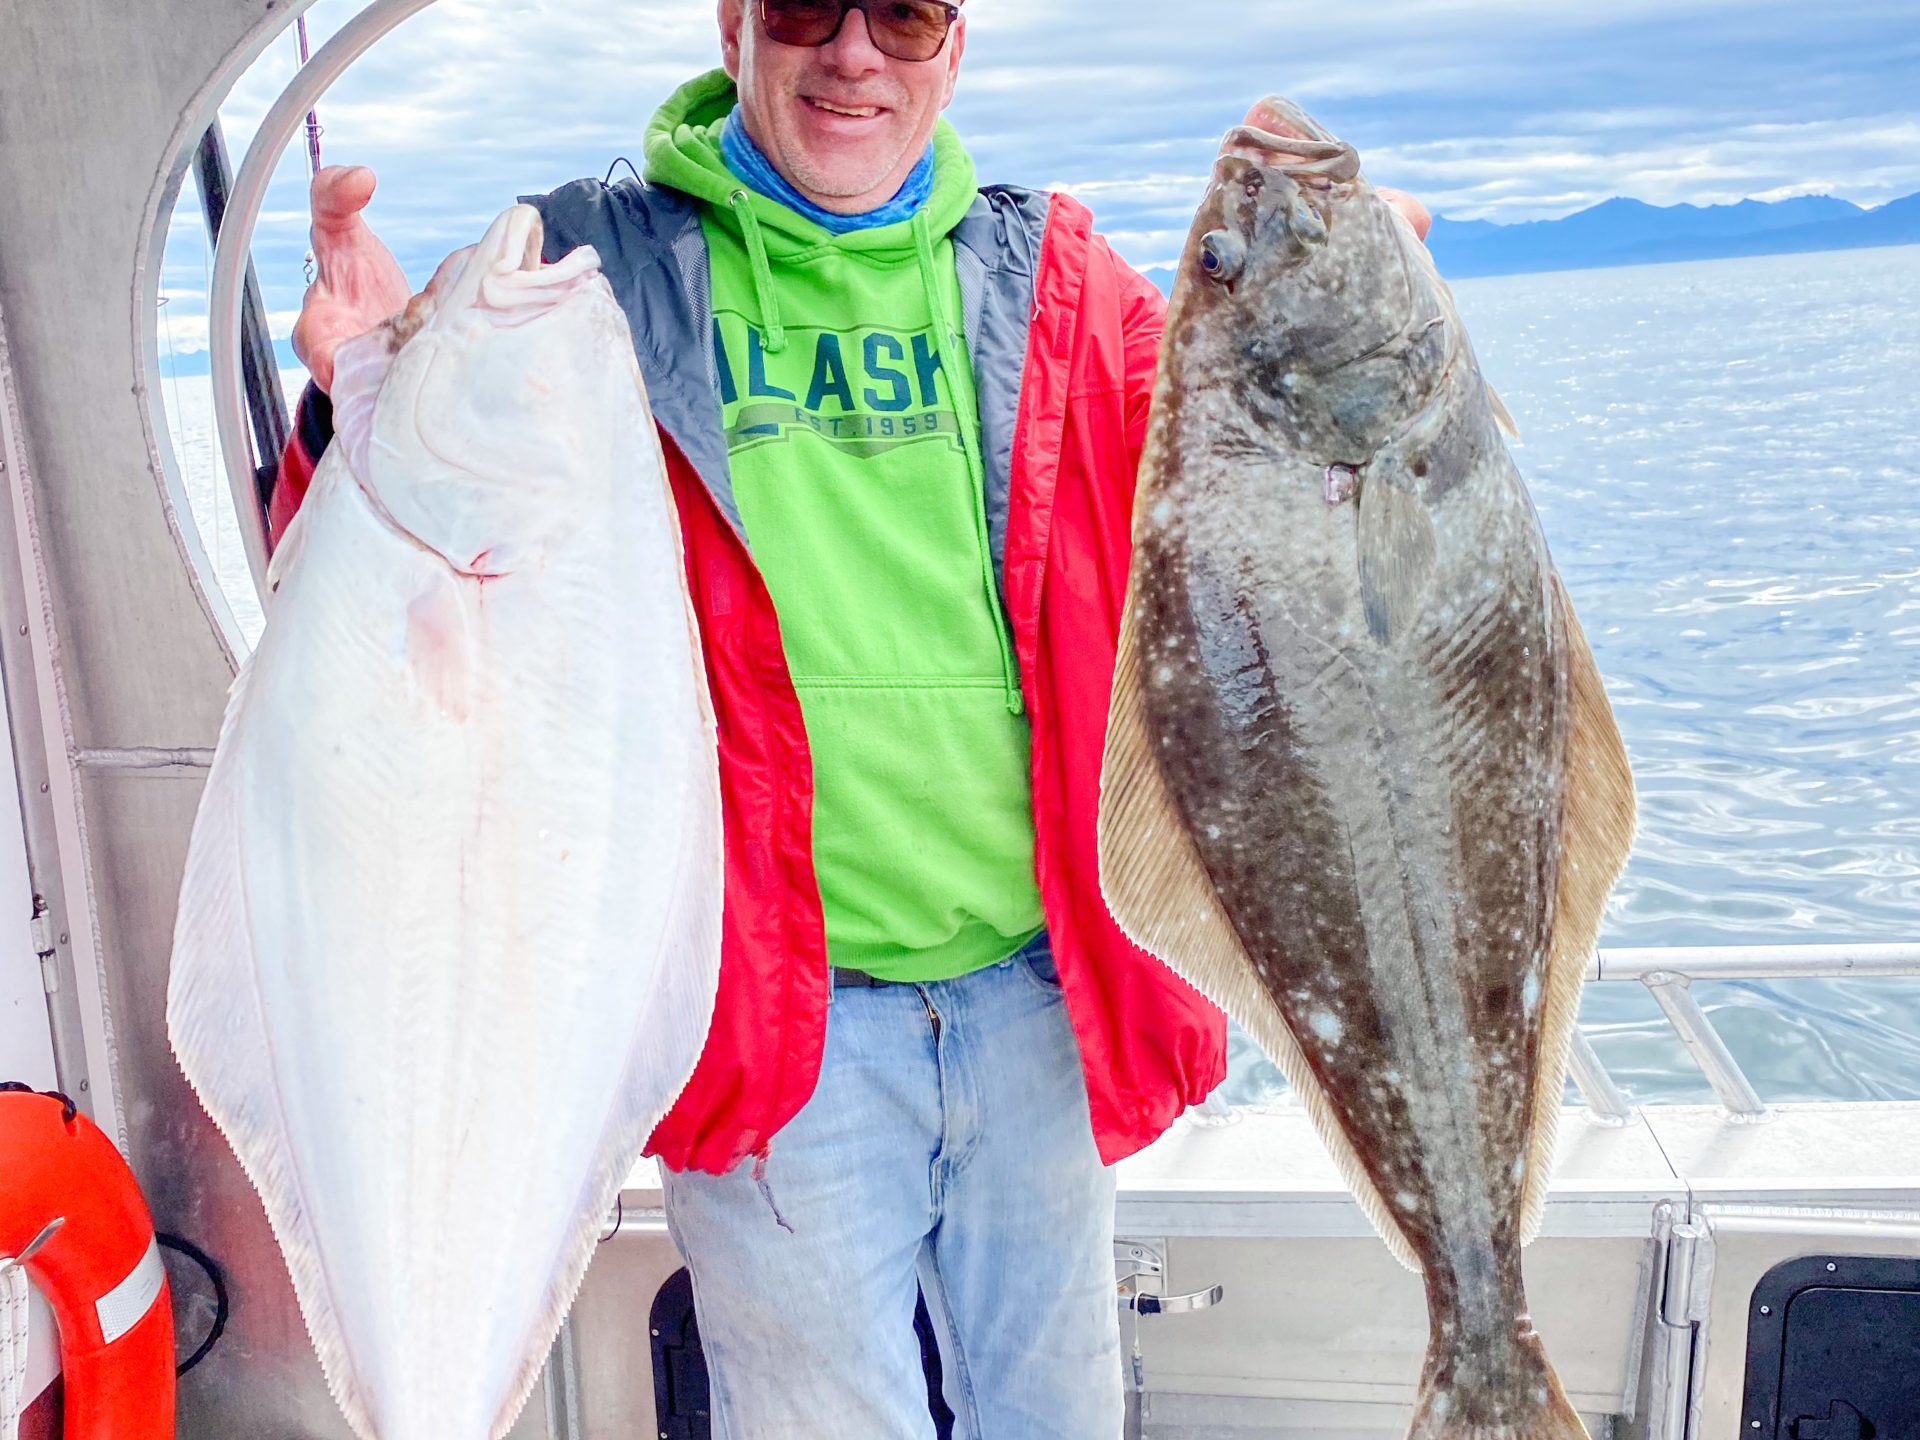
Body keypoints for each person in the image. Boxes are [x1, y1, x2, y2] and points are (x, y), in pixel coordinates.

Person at [278, 2, 1431, 1433]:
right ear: (735, 24)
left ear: (957, 44)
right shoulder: (588, 279)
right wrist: (353, 408)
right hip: (779, 1029)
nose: (853, 55)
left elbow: (1228, 478)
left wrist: (1339, 339)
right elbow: (407, 594)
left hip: (1037, 997)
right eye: (807, 7)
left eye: (903, 12)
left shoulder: (1061, 280)